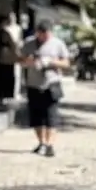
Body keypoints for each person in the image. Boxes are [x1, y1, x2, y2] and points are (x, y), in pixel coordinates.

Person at [19, 20, 70, 157]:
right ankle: (41, 142)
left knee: (51, 116)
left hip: (52, 83)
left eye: (47, 35)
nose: (44, 38)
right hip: (33, 83)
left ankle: (50, 144)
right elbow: (20, 59)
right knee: (37, 116)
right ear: (37, 33)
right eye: (42, 35)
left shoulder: (58, 44)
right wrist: (30, 62)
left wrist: (51, 62)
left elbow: (66, 63)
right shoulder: (29, 43)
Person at [0, 12, 20, 109]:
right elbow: (12, 45)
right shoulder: (4, 32)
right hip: (5, 59)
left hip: (0, 59)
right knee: (4, 80)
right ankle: (2, 99)